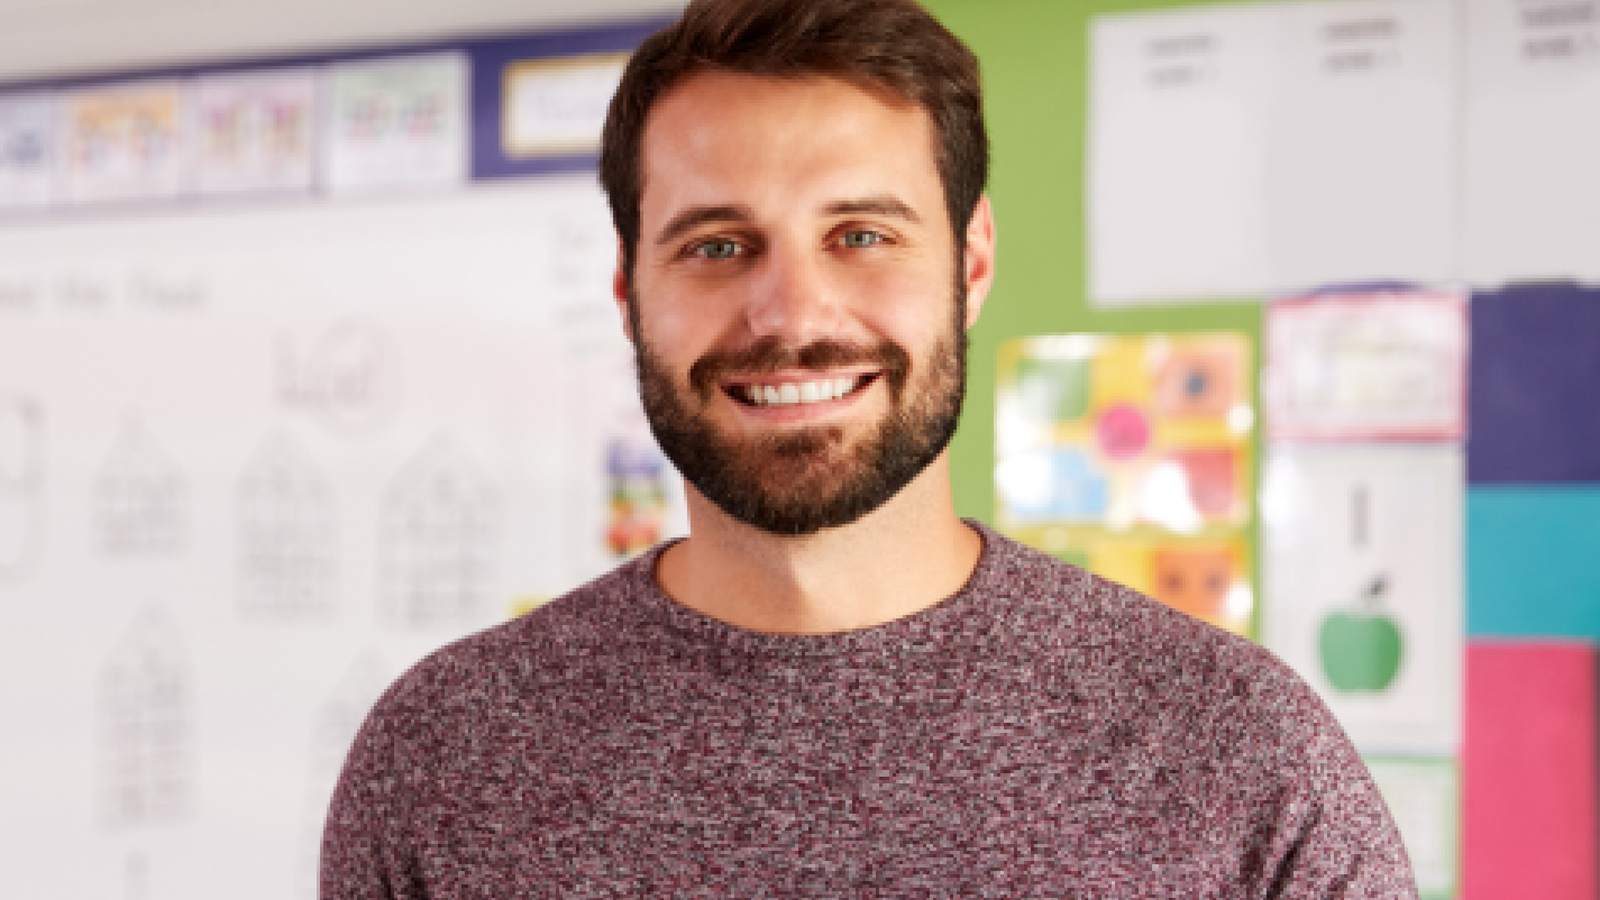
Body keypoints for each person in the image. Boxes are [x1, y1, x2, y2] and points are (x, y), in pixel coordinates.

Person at [321, 0, 1420, 896]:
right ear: (627, 291)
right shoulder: (444, 755)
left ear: (972, 260)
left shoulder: (1238, 750)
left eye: (861, 235)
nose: (790, 313)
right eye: (716, 245)